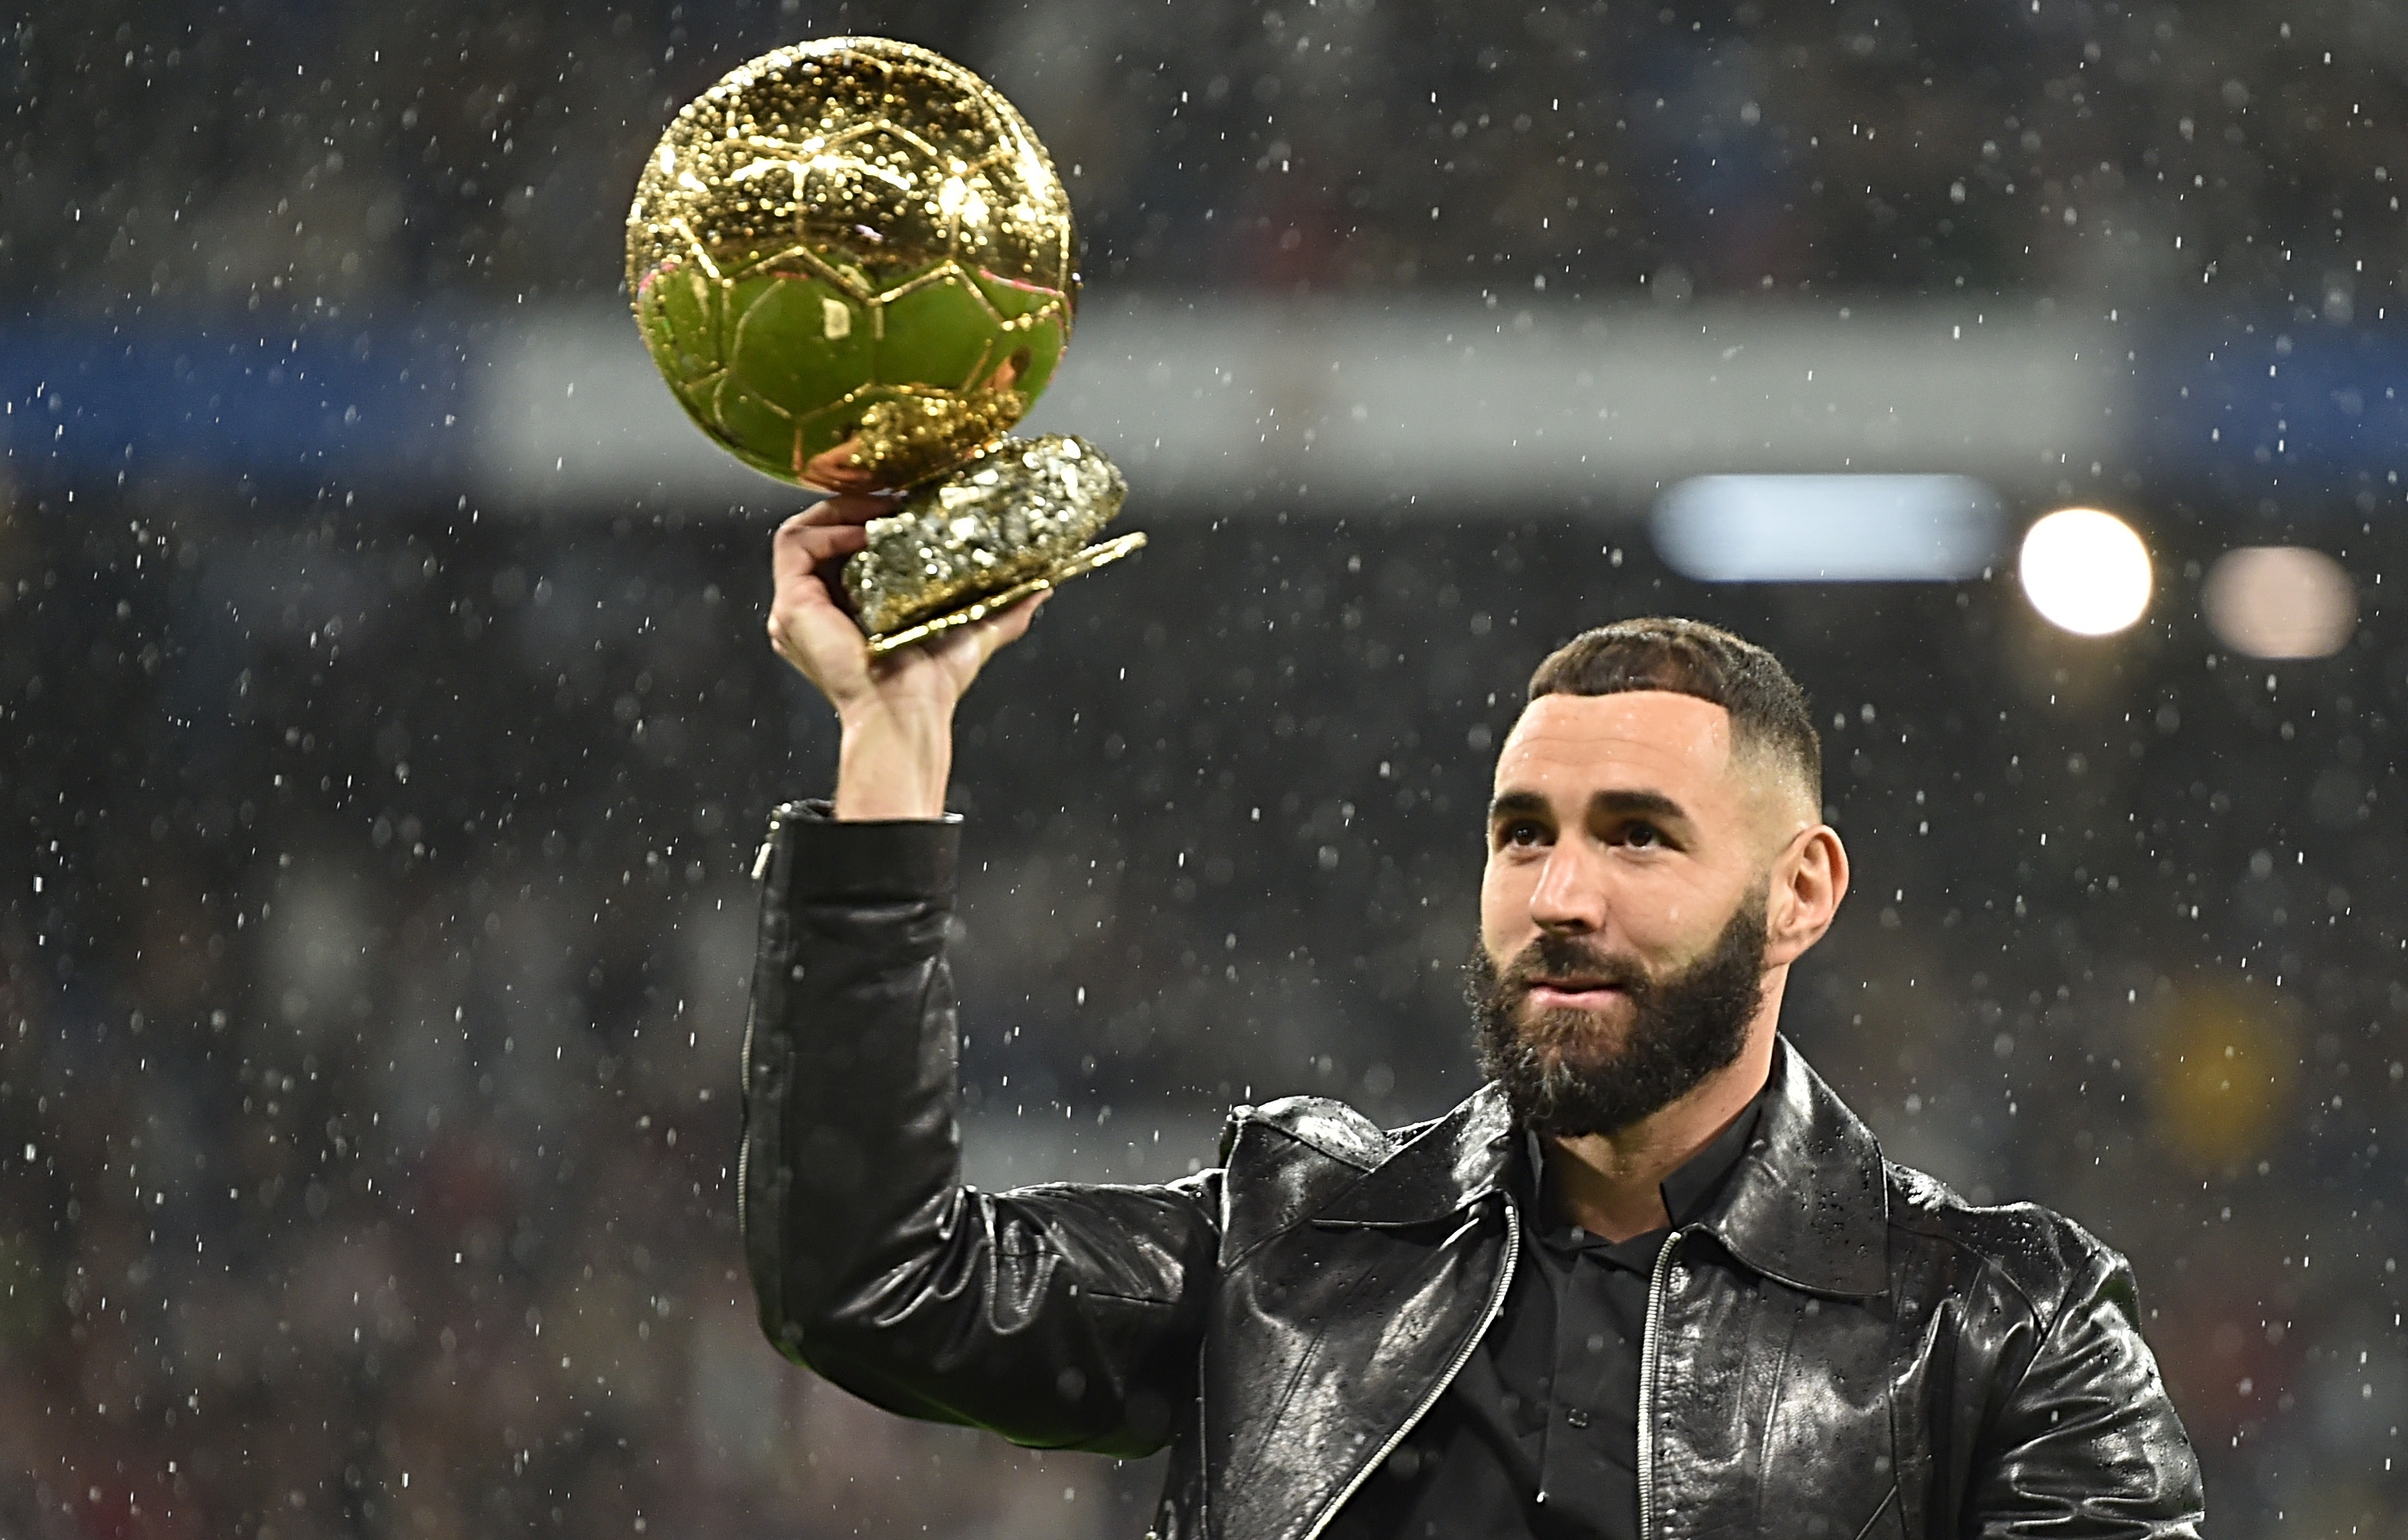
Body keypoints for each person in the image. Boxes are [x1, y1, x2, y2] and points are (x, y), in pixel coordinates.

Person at [740, 495, 2205, 1540]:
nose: (1559, 893)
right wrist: (893, 732)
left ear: (1801, 892)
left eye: (1638, 836)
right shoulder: (1291, 1243)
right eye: (1522, 835)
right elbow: (871, 1285)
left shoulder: (2009, 1329)